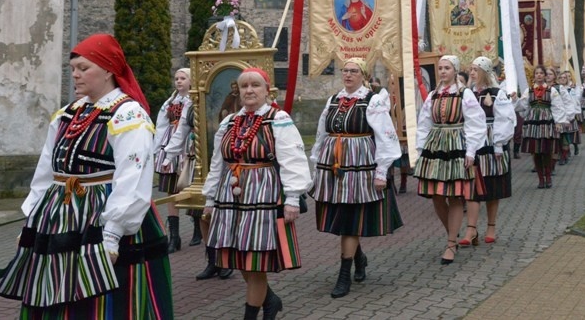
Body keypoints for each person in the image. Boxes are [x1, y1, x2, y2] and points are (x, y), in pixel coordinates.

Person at [0, 33, 173, 318]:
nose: (76, 75)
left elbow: (133, 177)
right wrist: (30, 221)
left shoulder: (128, 115)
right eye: (73, 69)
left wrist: (112, 234)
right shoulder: (67, 114)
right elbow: (46, 171)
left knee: (102, 301)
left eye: (84, 68)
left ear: (107, 70)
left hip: (103, 217)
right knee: (53, 291)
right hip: (57, 217)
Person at [202, 68, 311, 319]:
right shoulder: (229, 122)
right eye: (244, 86)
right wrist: (210, 198)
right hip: (231, 197)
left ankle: (251, 315)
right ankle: (270, 300)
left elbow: (292, 159)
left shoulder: (278, 118)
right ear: (238, 91)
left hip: (263, 195)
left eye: (255, 85)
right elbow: (217, 163)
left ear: (267, 90)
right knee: (240, 257)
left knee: (255, 260)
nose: (249, 90)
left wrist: (292, 198)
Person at [310, 58, 402, 298]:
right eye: (345, 70)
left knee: (350, 219)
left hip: (359, 167)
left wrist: (382, 171)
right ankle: (359, 258)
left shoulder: (372, 101)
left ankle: (344, 274)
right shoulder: (333, 100)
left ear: (363, 75)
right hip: (334, 167)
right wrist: (316, 166)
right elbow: (322, 133)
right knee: (343, 217)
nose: (348, 75)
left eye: (353, 71)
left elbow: (386, 136)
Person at [414, 55, 487, 264]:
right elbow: (424, 123)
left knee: (455, 195)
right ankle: (452, 235)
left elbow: (476, 123)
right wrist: (420, 150)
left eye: (447, 68)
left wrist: (471, 151)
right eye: (440, 68)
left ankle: (450, 243)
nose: (443, 71)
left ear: (455, 70)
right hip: (435, 147)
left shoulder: (465, 95)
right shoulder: (433, 95)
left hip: (457, 145)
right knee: (437, 195)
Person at [460, 57, 515, 247]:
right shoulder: (467, 94)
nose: (472, 73)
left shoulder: (497, 93)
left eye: (476, 69)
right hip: (473, 144)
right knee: (473, 186)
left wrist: (499, 144)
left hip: (491, 143)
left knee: (492, 186)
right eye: (471, 69)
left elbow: (506, 119)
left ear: (484, 71)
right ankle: (471, 229)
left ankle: (491, 227)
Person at [154, 68, 194, 253]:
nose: (178, 81)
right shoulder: (170, 102)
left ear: (190, 80)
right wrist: (157, 150)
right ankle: (174, 236)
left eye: (183, 78)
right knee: (171, 190)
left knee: (190, 187)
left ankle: (197, 228)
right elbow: (161, 125)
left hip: (188, 143)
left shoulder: (193, 100)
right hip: (170, 143)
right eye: (176, 78)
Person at [514, 65, 567, 189]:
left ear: (544, 76)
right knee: (536, 152)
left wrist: (559, 122)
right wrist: (515, 99)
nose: (539, 75)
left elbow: (557, 106)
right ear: (534, 76)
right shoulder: (529, 91)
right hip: (533, 123)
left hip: (546, 123)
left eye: (541, 73)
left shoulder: (552, 91)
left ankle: (548, 176)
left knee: (546, 150)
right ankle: (540, 179)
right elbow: (523, 107)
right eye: (537, 73)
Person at [557, 71, 581, 164]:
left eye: (565, 77)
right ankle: (563, 153)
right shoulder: (556, 89)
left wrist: (573, 114)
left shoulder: (572, 89)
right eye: (561, 77)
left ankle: (569, 151)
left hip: (569, 114)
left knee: (569, 134)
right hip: (559, 114)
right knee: (560, 136)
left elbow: (574, 101)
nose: (563, 79)